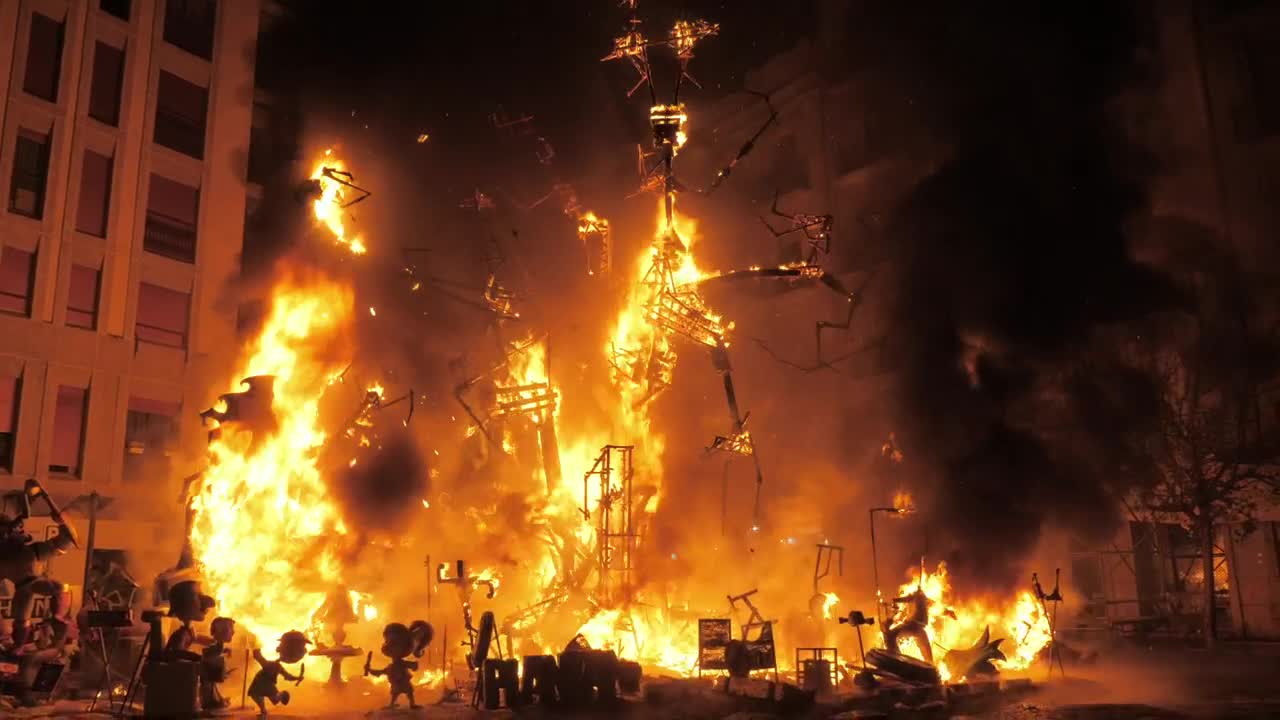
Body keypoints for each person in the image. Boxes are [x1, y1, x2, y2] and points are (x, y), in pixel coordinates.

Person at [365, 621, 432, 709]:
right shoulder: (391, 667)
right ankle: (393, 704)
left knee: (408, 692)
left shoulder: (400, 664)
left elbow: (412, 666)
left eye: (393, 643)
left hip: (403, 682)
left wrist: (413, 666)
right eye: (387, 642)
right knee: (396, 693)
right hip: (397, 683)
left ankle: (410, 704)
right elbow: (380, 672)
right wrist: (370, 670)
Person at [248, 630, 308, 717]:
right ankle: (264, 711)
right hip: (259, 681)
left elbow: (287, 676)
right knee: (256, 695)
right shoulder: (274, 665)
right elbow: (261, 659)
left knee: (274, 699)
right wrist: (256, 652)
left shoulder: (277, 666)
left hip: (267, 684)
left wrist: (297, 678)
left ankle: (282, 695)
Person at [200, 617, 235, 710]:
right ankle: (210, 703)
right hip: (207, 675)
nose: (233, 632)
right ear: (221, 630)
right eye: (230, 629)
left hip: (209, 676)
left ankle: (216, 701)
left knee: (211, 687)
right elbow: (209, 656)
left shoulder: (217, 645)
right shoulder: (215, 645)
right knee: (208, 687)